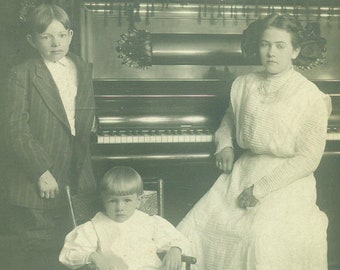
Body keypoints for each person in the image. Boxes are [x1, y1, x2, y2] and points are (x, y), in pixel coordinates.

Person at [177, 13, 331, 270]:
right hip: (243, 171)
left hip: (286, 181)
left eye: (280, 46)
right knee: (195, 226)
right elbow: (229, 118)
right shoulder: (244, 84)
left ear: (295, 51)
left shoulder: (310, 96)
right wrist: (224, 144)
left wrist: (259, 189)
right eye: (265, 44)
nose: (271, 52)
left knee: (258, 237)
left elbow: (308, 158)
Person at [1, 4, 96, 270]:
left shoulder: (81, 67)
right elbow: (15, 129)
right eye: (46, 37)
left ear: (71, 35)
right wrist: (40, 171)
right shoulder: (21, 74)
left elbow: (83, 115)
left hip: (78, 177)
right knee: (43, 254)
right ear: (32, 40)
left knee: (80, 250)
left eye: (61, 35)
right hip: (37, 182)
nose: (56, 43)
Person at [59, 166, 190, 270]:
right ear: (103, 201)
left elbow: (179, 239)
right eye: (112, 201)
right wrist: (94, 257)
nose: (119, 207)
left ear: (138, 201)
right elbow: (68, 254)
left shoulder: (149, 222)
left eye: (127, 200)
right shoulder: (94, 226)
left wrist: (175, 249)